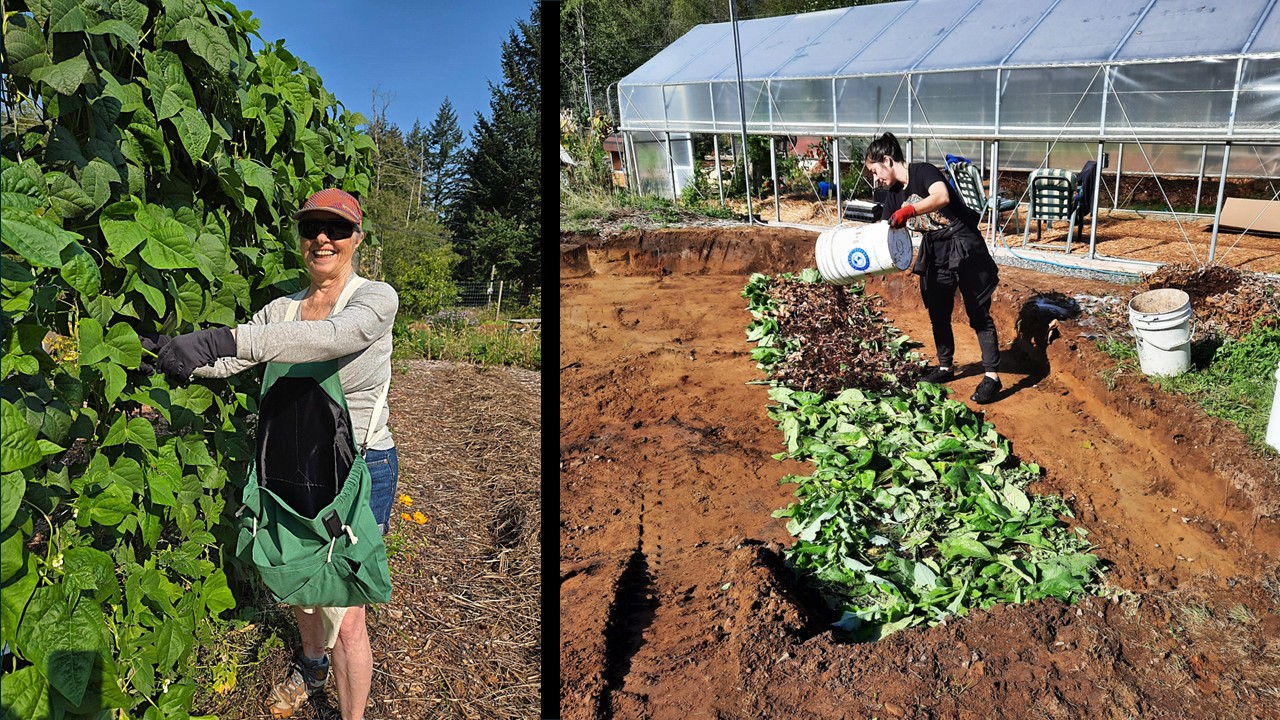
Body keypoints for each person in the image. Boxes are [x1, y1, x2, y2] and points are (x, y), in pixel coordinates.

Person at [149, 188, 399, 719]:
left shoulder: (375, 299)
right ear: (301, 239)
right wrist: (170, 355)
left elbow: (327, 340)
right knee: (301, 582)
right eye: (312, 228)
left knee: (347, 610)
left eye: (336, 228)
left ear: (357, 237)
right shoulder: (283, 307)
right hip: (292, 461)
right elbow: (230, 361)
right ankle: (311, 665)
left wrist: (221, 341)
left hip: (357, 468)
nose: (322, 239)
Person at [863, 132, 1003, 404]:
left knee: (977, 311)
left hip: (962, 242)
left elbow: (941, 197)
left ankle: (992, 376)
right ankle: (945, 367)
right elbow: (882, 232)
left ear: (888, 161)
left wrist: (910, 211)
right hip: (936, 247)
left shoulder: (923, 172)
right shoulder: (892, 195)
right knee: (938, 309)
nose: (875, 178)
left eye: (875, 171)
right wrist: (868, 258)